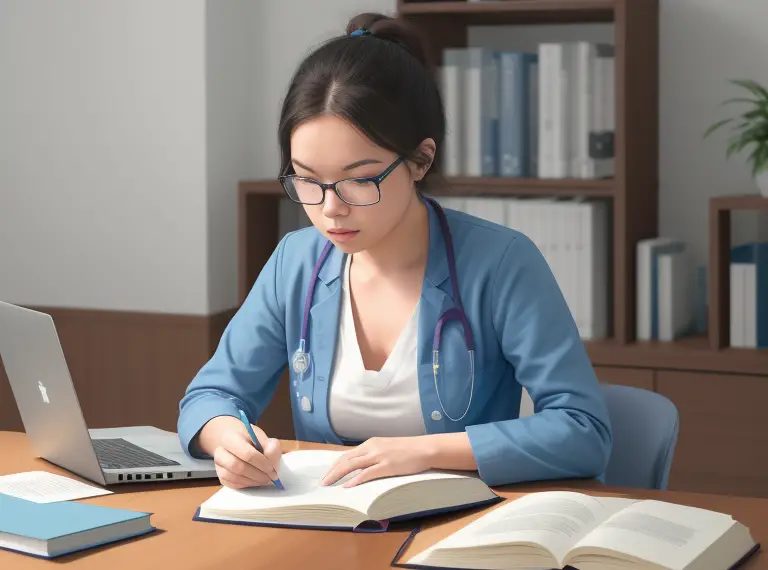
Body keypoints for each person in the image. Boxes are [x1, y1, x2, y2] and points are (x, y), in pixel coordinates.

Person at [177, 12, 612, 491]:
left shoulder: (502, 262)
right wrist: (227, 439)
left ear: (421, 160)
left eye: (360, 180)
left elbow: (583, 430)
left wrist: (424, 452)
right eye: (307, 180)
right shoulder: (295, 263)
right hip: (329, 528)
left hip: (459, 529)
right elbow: (211, 395)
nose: (330, 210)